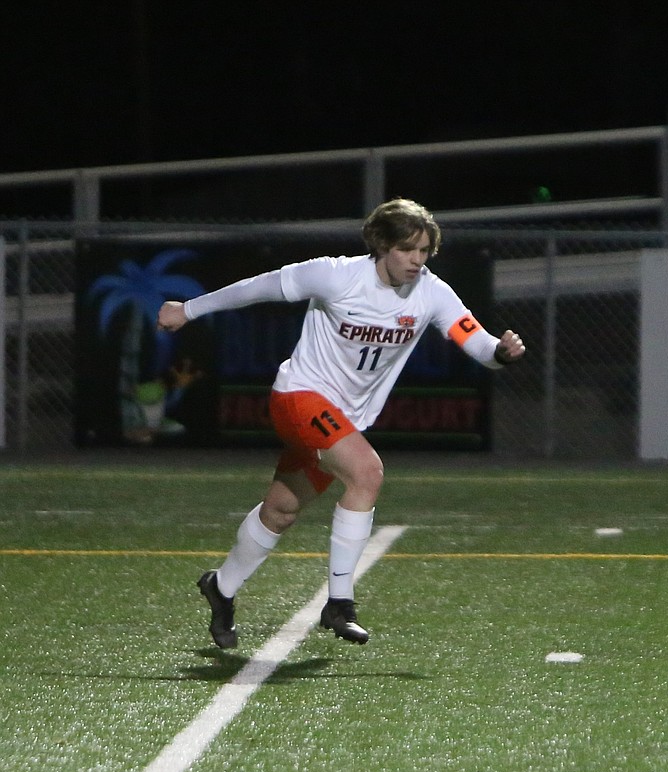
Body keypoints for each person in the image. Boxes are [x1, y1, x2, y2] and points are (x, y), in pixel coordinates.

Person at [156, 198, 526, 647]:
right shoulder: (334, 274)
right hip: (299, 397)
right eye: (407, 249)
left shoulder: (433, 293)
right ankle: (340, 603)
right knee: (367, 472)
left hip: (341, 417)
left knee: (281, 510)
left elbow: (476, 341)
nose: (416, 260)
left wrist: (501, 353)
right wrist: (189, 310)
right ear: (382, 245)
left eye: (424, 251)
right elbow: (259, 287)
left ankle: (221, 586)